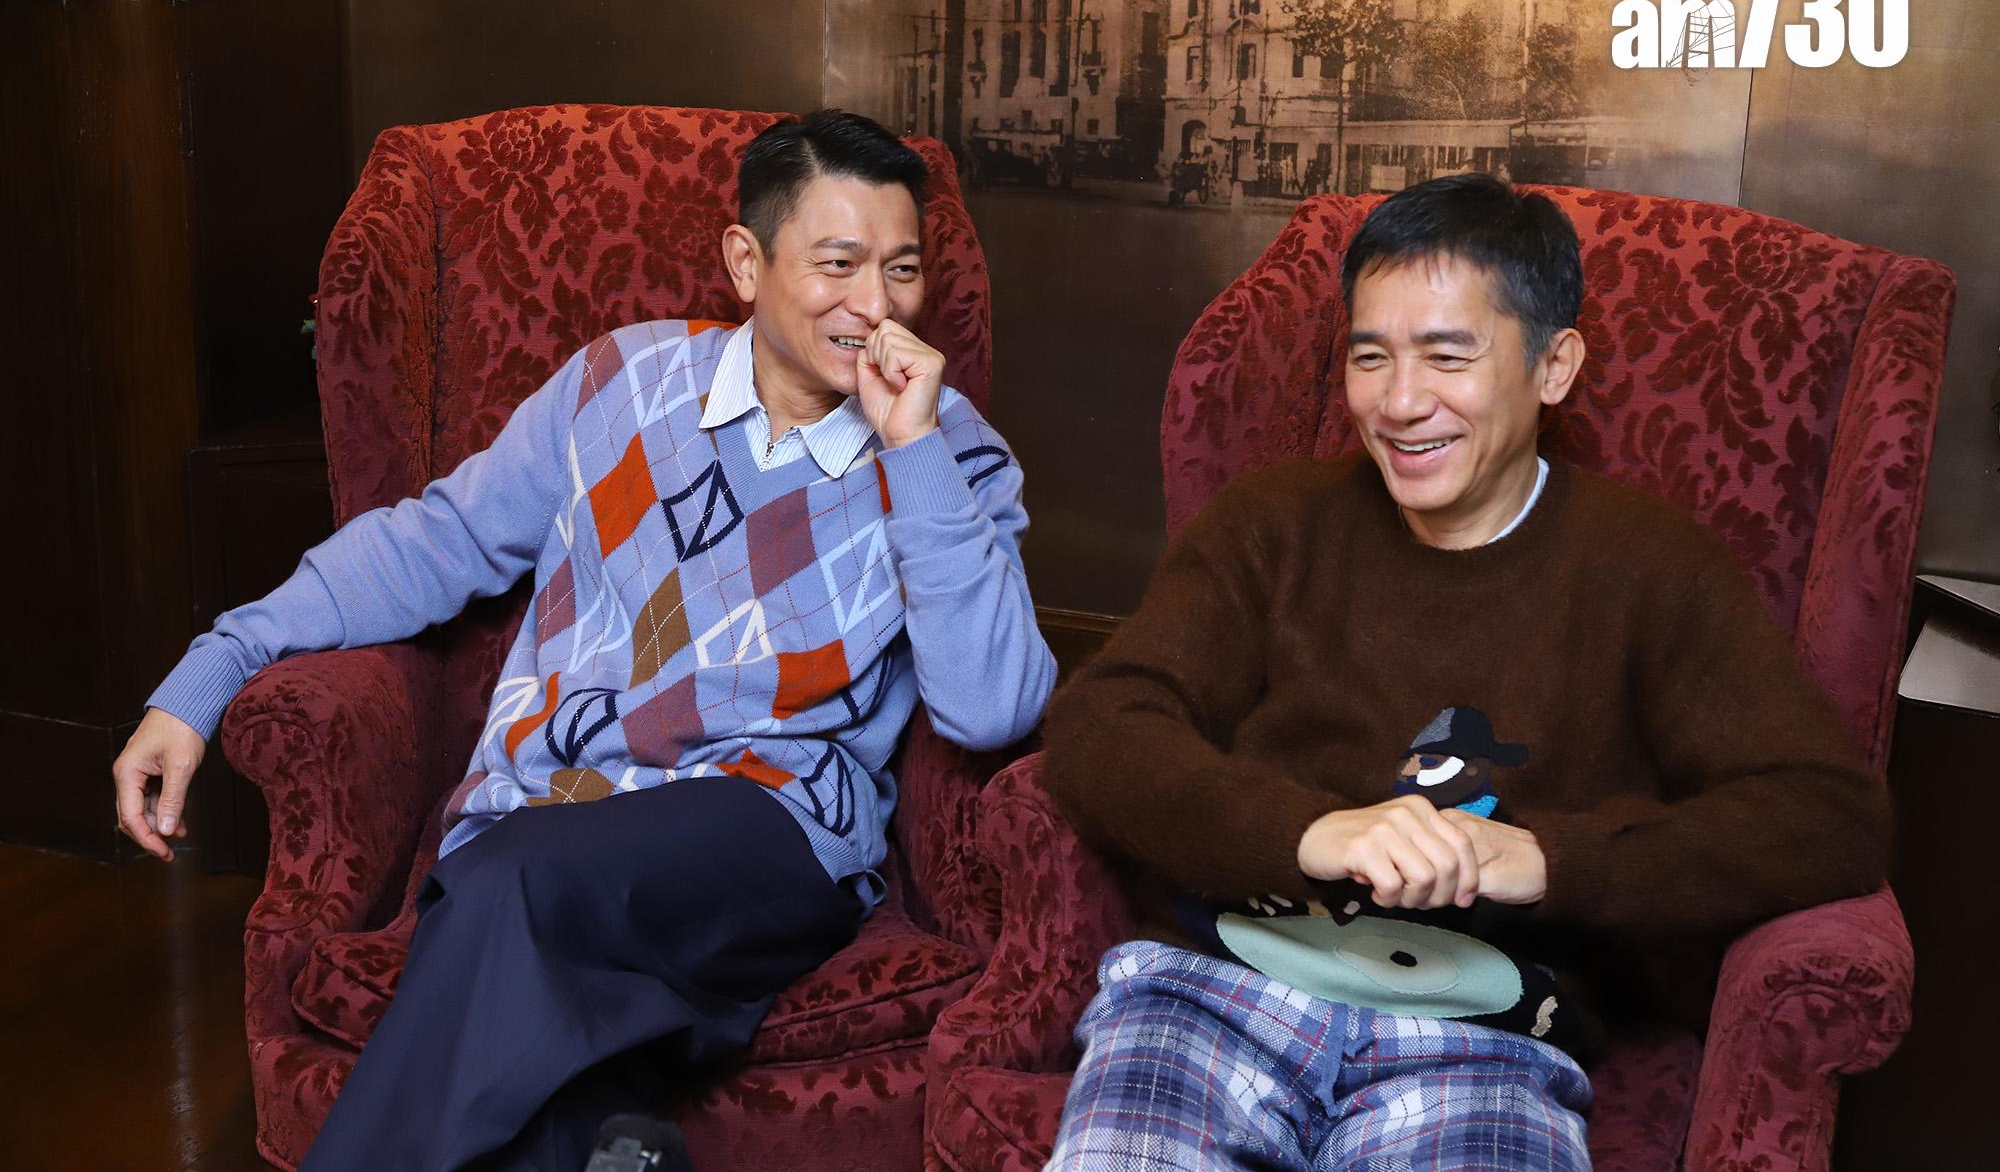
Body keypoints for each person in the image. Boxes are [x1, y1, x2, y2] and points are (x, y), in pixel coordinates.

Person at [111, 109, 1057, 1171]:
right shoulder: (620, 382)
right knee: (526, 952)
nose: (875, 306)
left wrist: (914, 448)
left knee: (501, 886)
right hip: (551, 807)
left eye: (901, 270)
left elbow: (993, 706)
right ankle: (619, 1142)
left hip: (769, 825)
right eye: (838, 264)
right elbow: (436, 542)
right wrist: (218, 662)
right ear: (746, 263)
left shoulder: (953, 454)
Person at [1039, 173, 1888, 1171]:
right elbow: (1100, 725)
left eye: (1447, 356)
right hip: (1216, 991)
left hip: (1484, 1039)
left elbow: (1827, 815)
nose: (1400, 403)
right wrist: (1309, 831)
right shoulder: (1271, 522)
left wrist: (1546, 858)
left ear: (1553, 365)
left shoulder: (1652, 568)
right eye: (1370, 356)